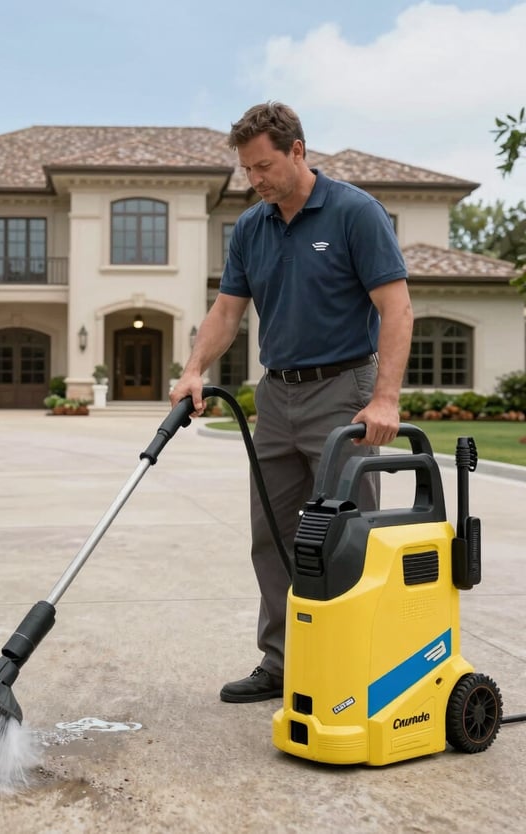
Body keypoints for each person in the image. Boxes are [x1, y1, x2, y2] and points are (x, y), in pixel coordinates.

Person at [170, 101, 414, 703]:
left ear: (297, 151)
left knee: (346, 532)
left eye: (263, 167)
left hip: (344, 393)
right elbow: (228, 311)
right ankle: (282, 662)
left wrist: (385, 397)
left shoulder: (355, 212)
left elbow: (396, 307)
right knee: (274, 534)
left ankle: (356, 663)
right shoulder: (251, 227)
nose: (255, 180)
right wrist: (194, 370)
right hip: (276, 396)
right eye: (247, 170)